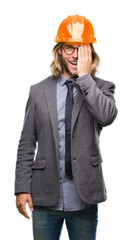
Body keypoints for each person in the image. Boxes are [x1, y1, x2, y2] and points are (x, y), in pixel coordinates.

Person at [15, 14, 118, 240]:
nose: (75, 55)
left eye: (81, 49)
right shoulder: (38, 91)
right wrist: (22, 187)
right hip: (44, 197)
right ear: (60, 50)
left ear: (90, 52)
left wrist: (84, 77)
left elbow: (107, 116)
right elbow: (26, 143)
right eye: (70, 48)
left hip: (84, 198)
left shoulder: (102, 88)